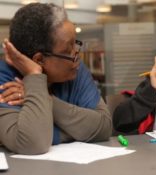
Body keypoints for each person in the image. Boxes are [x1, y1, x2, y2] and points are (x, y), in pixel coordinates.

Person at [0, 3, 112, 155]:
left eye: (75, 44)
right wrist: (34, 75)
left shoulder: (74, 69)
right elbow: (34, 143)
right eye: (68, 50)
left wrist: (46, 100)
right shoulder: (4, 79)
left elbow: (104, 127)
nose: (76, 55)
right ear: (39, 60)